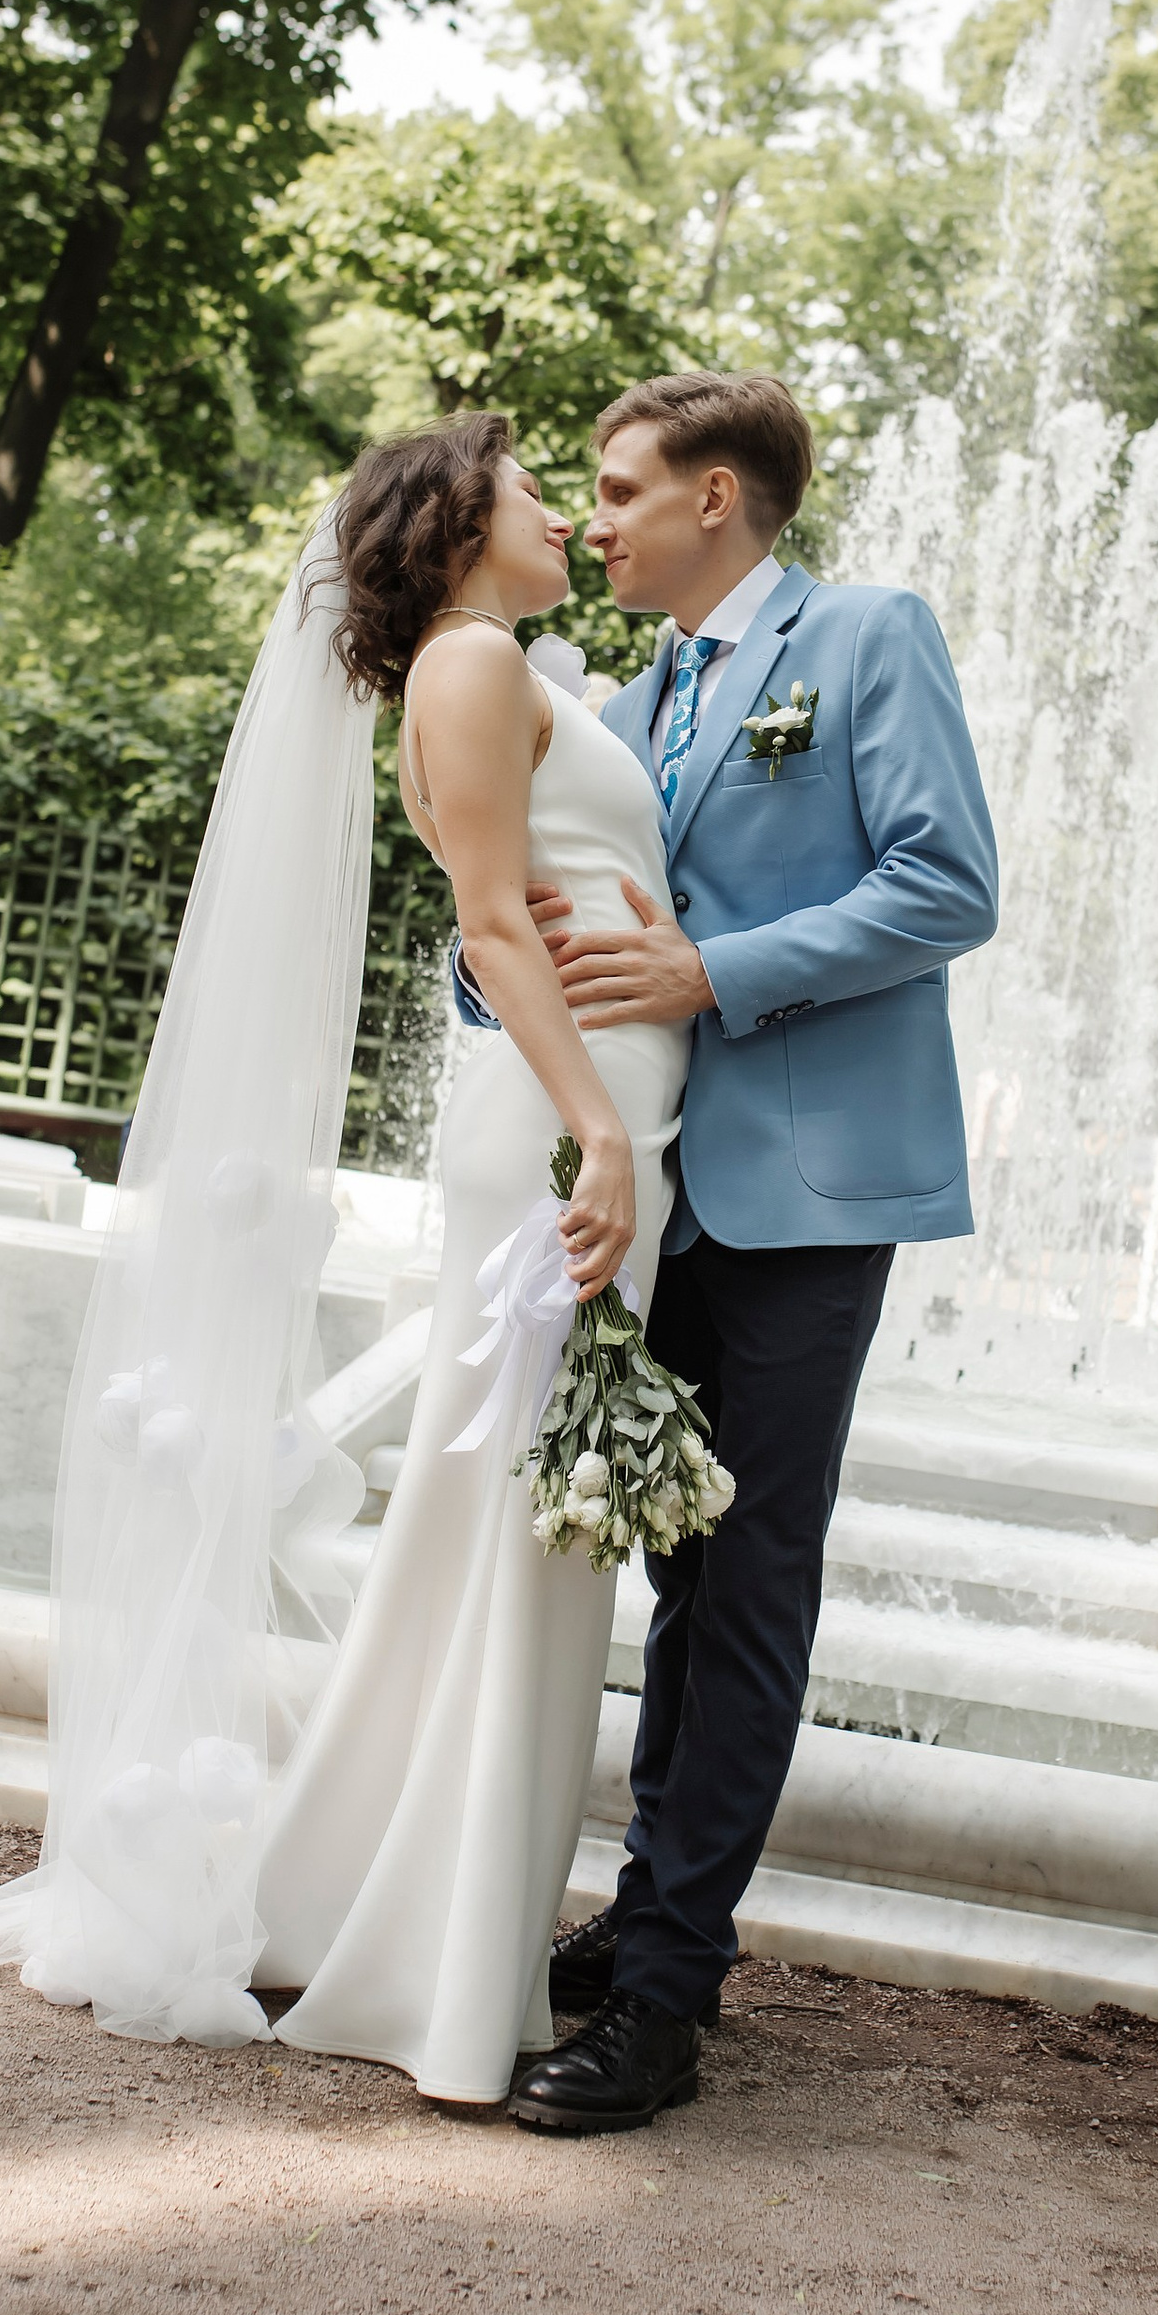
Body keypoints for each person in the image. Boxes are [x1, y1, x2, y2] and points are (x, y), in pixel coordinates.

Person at [0, 413, 690, 2106]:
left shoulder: (505, 662)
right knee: (518, 1548)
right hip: (565, 1141)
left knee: (498, 1545)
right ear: (461, 521)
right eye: (536, 489)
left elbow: (569, 887)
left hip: (590, 1108)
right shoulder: (474, 665)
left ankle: (384, 1913)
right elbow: (496, 923)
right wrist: (608, 1136)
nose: (563, 509)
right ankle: (432, 1964)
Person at [497, 371, 998, 2137]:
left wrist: (716, 971)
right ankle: (649, 1919)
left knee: (753, 1577)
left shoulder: (869, 637)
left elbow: (951, 885)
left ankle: (667, 1997)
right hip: (662, 1198)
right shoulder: (627, 698)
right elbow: (573, 907)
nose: (595, 520)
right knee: (678, 1582)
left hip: (815, 1190)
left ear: (720, 497)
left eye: (623, 489)